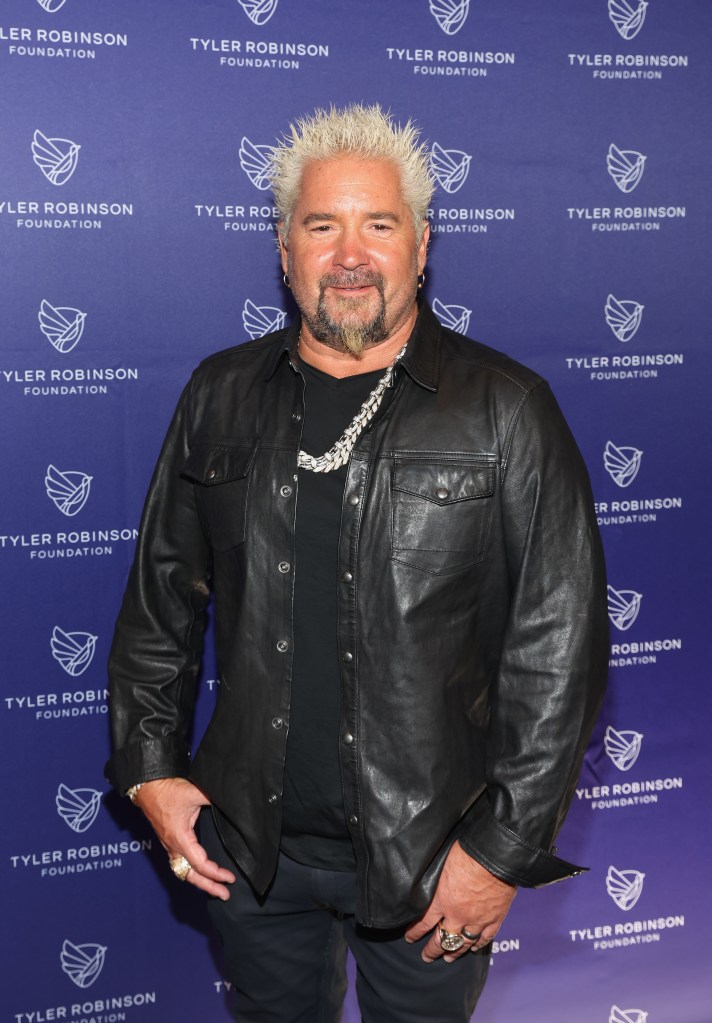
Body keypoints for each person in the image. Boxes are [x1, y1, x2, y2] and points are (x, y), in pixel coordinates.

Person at [106, 104, 608, 1022]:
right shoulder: (218, 395)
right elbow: (159, 605)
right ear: (285, 249)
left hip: (434, 862)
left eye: (378, 224)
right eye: (321, 225)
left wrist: (498, 852)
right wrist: (150, 770)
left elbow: (560, 651)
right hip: (252, 855)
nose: (349, 253)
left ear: (421, 247)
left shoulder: (506, 409)